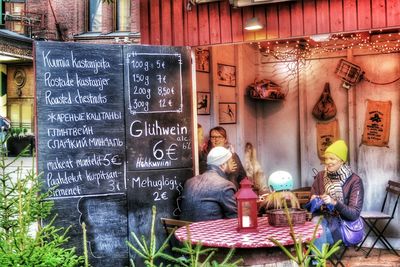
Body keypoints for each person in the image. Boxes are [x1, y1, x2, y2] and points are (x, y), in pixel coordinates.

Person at [309, 140, 364, 252]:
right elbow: (311, 208)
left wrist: (334, 203)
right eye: (326, 158)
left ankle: (316, 261)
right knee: (315, 226)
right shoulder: (320, 176)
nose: (327, 162)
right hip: (321, 218)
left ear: (342, 160)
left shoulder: (355, 181)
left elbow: (354, 214)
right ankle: (317, 259)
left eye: (332, 158)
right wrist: (313, 200)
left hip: (342, 222)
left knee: (317, 231)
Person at [180, 146, 237, 222]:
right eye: (230, 161)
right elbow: (234, 219)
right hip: (209, 233)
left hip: (186, 233)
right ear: (223, 164)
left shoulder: (189, 182)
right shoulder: (225, 186)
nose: (232, 163)